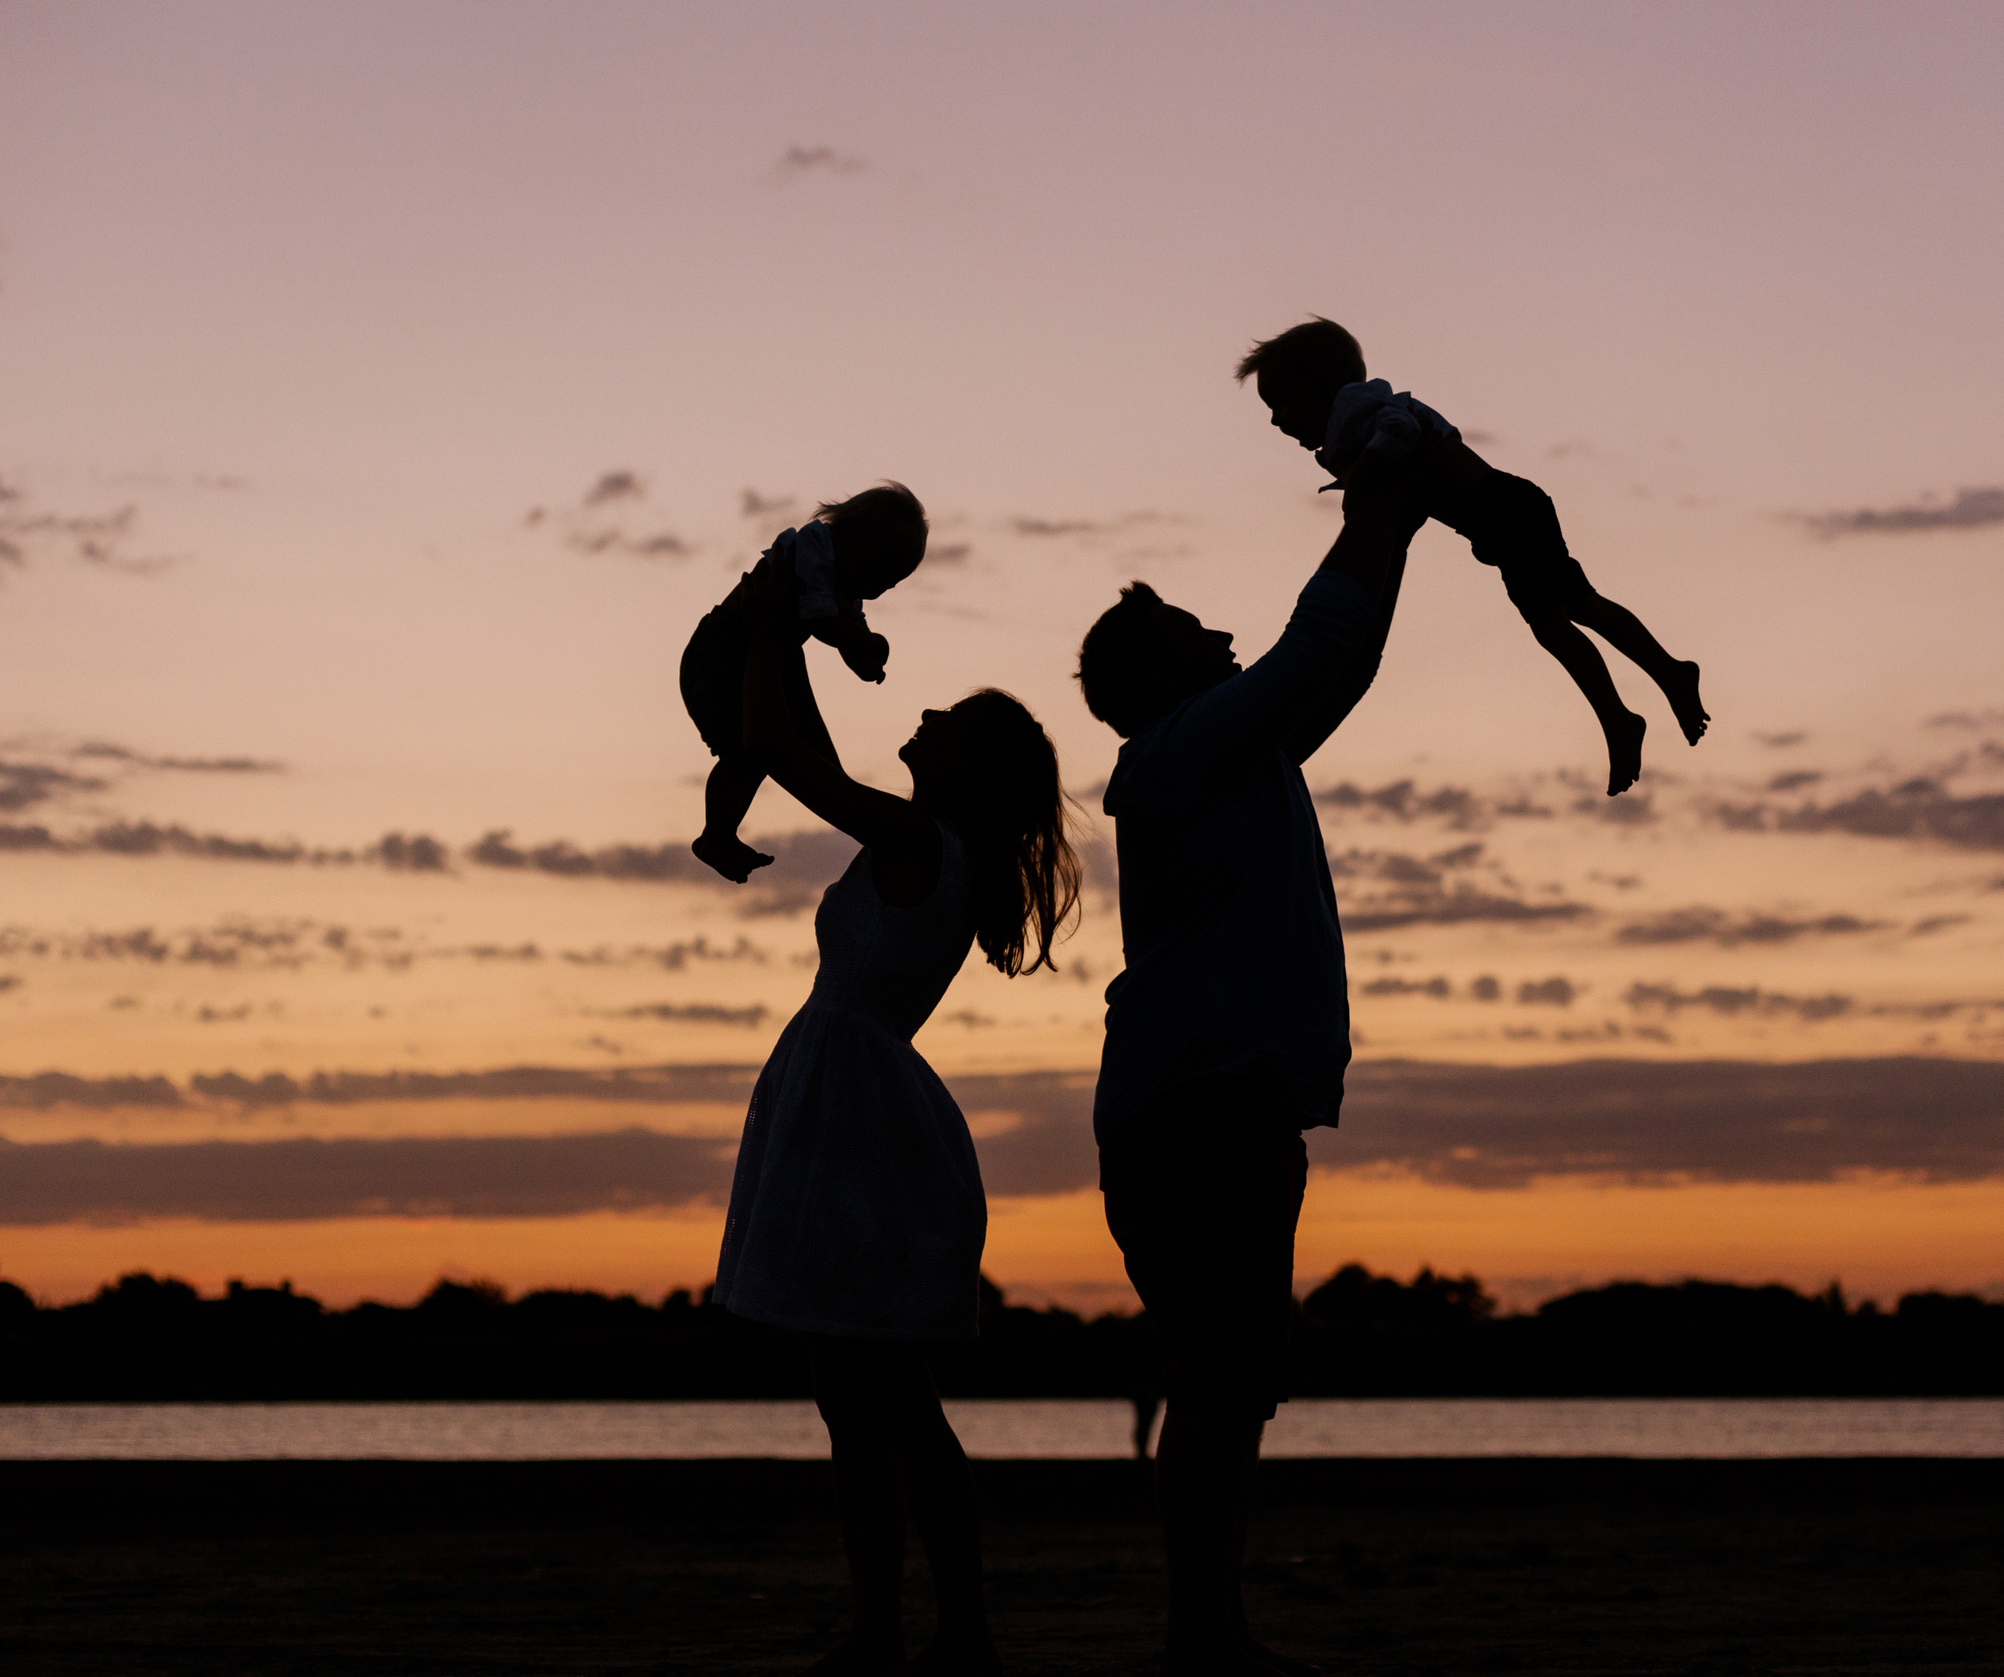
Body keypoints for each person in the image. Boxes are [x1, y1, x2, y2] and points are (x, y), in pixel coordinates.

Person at [1076, 488, 1421, 1676]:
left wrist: (1392, 526)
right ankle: (1205, 1640)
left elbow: (1334, 665)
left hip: (1211, 1102)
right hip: (1201, 1108)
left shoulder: (1217, 754)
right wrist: (1379, 508)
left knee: (1226, 1379)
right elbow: (1317, 652)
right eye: (1192, 634)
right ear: (1162, 681)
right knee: (1224, 1377)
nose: (1221, 640)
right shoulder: (1188, 749)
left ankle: (1206, 1632)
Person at [713, 581, 1081, 1677]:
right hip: (848, 1101)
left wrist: (775, 626)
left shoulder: (924, 839)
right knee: (859, 1402)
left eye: (950, 723)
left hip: (854, 1116)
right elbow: (807, 750)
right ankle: (891, 1626)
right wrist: (793, 638)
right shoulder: (929, 841)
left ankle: (950, 1628)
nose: (927, 720)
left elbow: (791, 758)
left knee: (886, 1402)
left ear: (965, 766)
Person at [1237, 317, 1708, 795]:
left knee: (1552, 625)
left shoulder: (1355, 405)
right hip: (1508, 510)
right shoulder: (1355, 417)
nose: (1277, 420)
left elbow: (1399, 430)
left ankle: (1618, 718)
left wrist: (1362, 478)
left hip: (1502, 512)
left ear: (1318, 383)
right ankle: (1671, 672)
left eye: (1282, 403)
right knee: (1584, 606)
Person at [682, 481, 930, 883]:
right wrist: (861, 641)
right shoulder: (814, 552)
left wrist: (862, 657)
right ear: (848, 531)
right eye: (875, 573)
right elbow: (822, 621)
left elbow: (844, 625)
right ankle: (716, 835)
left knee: (795, 753)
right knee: (745, 751)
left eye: (888, 585)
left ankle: (840, 803)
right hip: (722, 654)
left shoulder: (846, 577)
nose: (874, 589)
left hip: (767, 656)